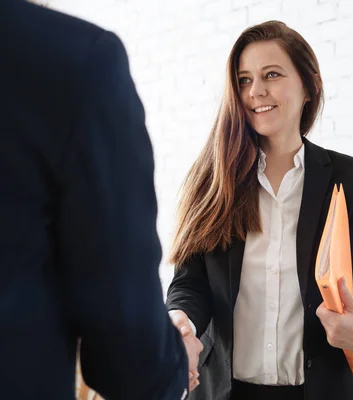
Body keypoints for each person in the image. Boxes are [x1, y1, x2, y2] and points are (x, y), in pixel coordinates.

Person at [166, 20, 353, 400]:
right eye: (243, 80)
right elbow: (190, 284)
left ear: (309, 86)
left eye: (271, 74)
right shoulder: (212, 179)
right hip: (224, 391)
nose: (256, 91)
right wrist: (180, 322)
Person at [0, 1, 202, 398]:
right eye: (244, 79)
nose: (256, 92)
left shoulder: (351, 177)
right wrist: (176, 356)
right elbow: (129, 358)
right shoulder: (72, 61)